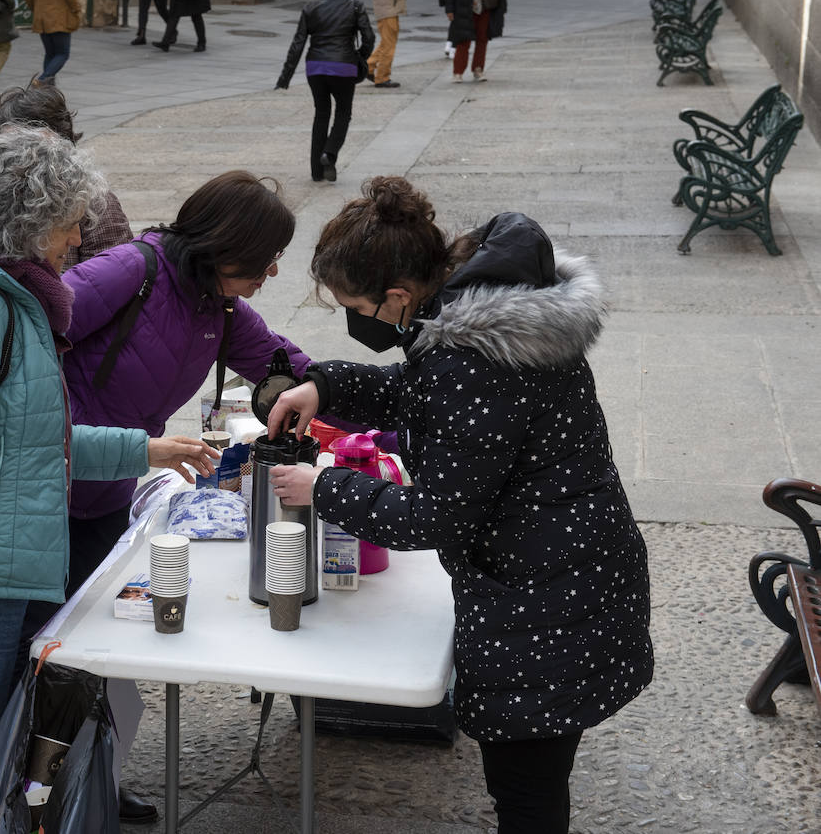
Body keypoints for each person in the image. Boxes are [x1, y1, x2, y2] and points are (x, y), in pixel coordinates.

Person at [266, 175, 653, 834]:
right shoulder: (477, 310)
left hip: (546, 600)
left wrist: (323, 487)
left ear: (396, 295)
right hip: (571, 572)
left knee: (525, 793)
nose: (355, 320)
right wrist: (324, 385)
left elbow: (435, 516)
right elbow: (426, 395)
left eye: (355, 306)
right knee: (531, 782)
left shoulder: (471, 357)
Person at [0, 124, 216, 834]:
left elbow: (36, 443)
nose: (80, 235)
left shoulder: (18, 301)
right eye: (71, 219)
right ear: (33, 221)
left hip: (3, 575)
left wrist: (147, 451)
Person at [37, 169, 312, 823]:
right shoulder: (130, 271)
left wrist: (360, 401)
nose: (273, 273)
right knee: (41, 656)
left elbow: (283, 362)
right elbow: (26, 339)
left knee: (96, 656)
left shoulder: (217, 307)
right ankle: (31, 795)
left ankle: (87, 780)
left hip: (105, 495)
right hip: (42, 494)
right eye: (267, 258)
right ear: (227, 245)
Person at [0, 84, 134, 269]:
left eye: (34, 148)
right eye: (7, 148)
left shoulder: (94, 203)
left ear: (63, 146)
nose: (20, 157)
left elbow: (113, 282)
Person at [276, 0, 375, 182]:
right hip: (344, 66)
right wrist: (359, 56)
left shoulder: (311, 6)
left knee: (321, 113)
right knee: (343, 113)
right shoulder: (355, 5)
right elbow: (369, 37)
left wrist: (285, 76)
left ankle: (316, 171)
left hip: (316, 68)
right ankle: (329, 154)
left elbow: (298, 43)